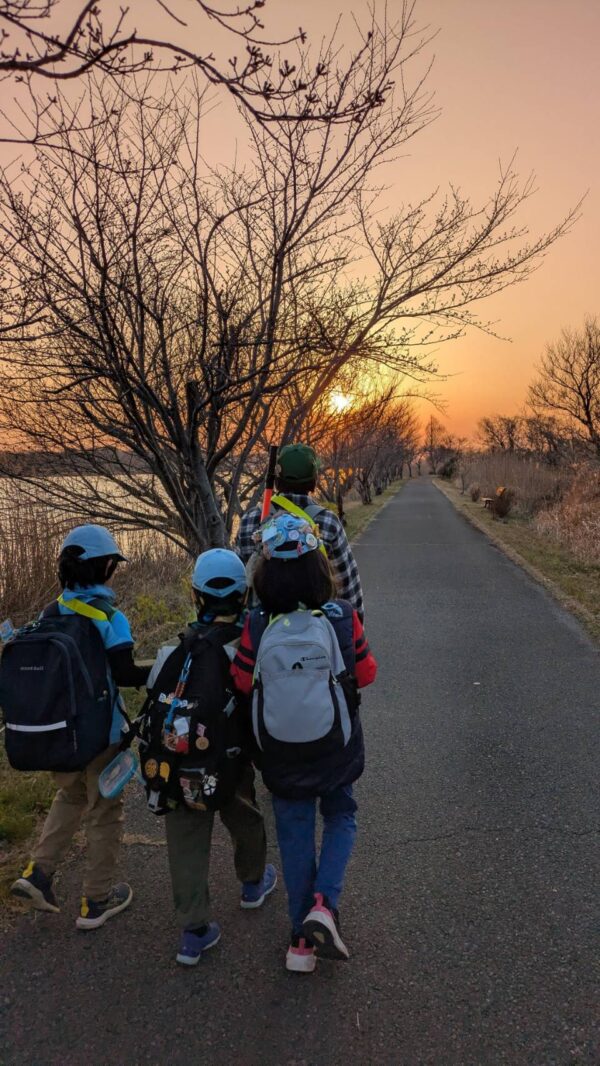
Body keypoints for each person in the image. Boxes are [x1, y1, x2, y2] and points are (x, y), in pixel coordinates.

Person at [231, 514, 376, 973]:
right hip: (335, 746)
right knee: (341, 816)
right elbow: (366, 673)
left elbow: (240, 679)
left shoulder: (256, 623)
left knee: (294, 834)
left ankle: (300, 943)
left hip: (279, 750)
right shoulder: (341, 617)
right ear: (319, 571)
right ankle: (324, 907)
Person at [10, 524, 150, 929]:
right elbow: (124, 673)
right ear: (105, 567)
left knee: (70, 798)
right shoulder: (110, 615)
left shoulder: (50, 612)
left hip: (62, 732)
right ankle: (96, 900)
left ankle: (38, 873)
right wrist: (160, 670)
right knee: (106, 811)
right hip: (101, 734)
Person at [144, 548, 276, 966]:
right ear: (243, 596)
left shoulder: (172, 653)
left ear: (196, 596)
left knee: (185, 839)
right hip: (229, 765)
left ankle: (194, 932)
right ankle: (253, 884)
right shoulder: (246, 649)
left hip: (176, 766)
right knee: (243, 816)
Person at [237, 443, 365, 620]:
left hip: (262, 630)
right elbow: (348, 586)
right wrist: (354, 630)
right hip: (317, 630)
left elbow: (243, 580)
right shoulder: (328, 522)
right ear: (314, 481)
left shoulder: (251, 519)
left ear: (276, 480)